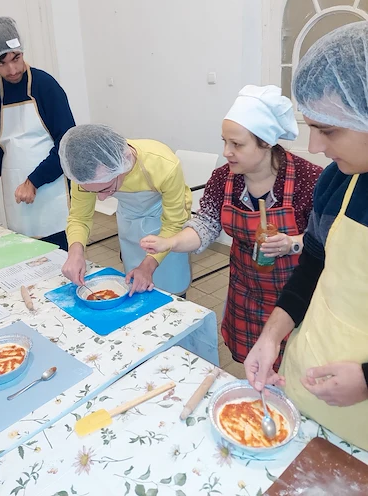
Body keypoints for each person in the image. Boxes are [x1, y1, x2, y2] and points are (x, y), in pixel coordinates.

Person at [244, 22, 368, 450]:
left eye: (328, 130)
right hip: (307, 381)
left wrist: (366, 379)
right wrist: (271, 336)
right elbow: (312, 267)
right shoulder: (337, 181)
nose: (314, 146)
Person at [141, 85, 322, 366]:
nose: (227, 152)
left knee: (291, 366)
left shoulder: (308, 179)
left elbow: (323, 238)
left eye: (237, 144)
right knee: (252, 362)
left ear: (266, 142)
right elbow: (206, 224)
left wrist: (291, 243)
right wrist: (171, 242)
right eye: (225, 141)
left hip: (295, 293)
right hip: (245, 289)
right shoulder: (224, 178)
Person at [0, 17, 75, 250]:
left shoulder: (46, 86)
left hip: (53, 193)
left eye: (16, 58)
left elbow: (67, 145)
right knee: (26, 259)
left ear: (22, 51)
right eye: (1, 64)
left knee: (61, 259)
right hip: (18, 199)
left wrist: (33, 182)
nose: (12, 70)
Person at [59, 124, 192, 295]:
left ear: (124, 165)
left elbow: (174, 223)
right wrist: (75, 253)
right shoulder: (84, 171)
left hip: (168, 228)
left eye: (106, 189)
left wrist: (148, 266)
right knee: (136, 286)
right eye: (93, 192)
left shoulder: (162, 164)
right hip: (130, 222)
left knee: (170, 287)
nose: (101, 198)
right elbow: (79, 217)